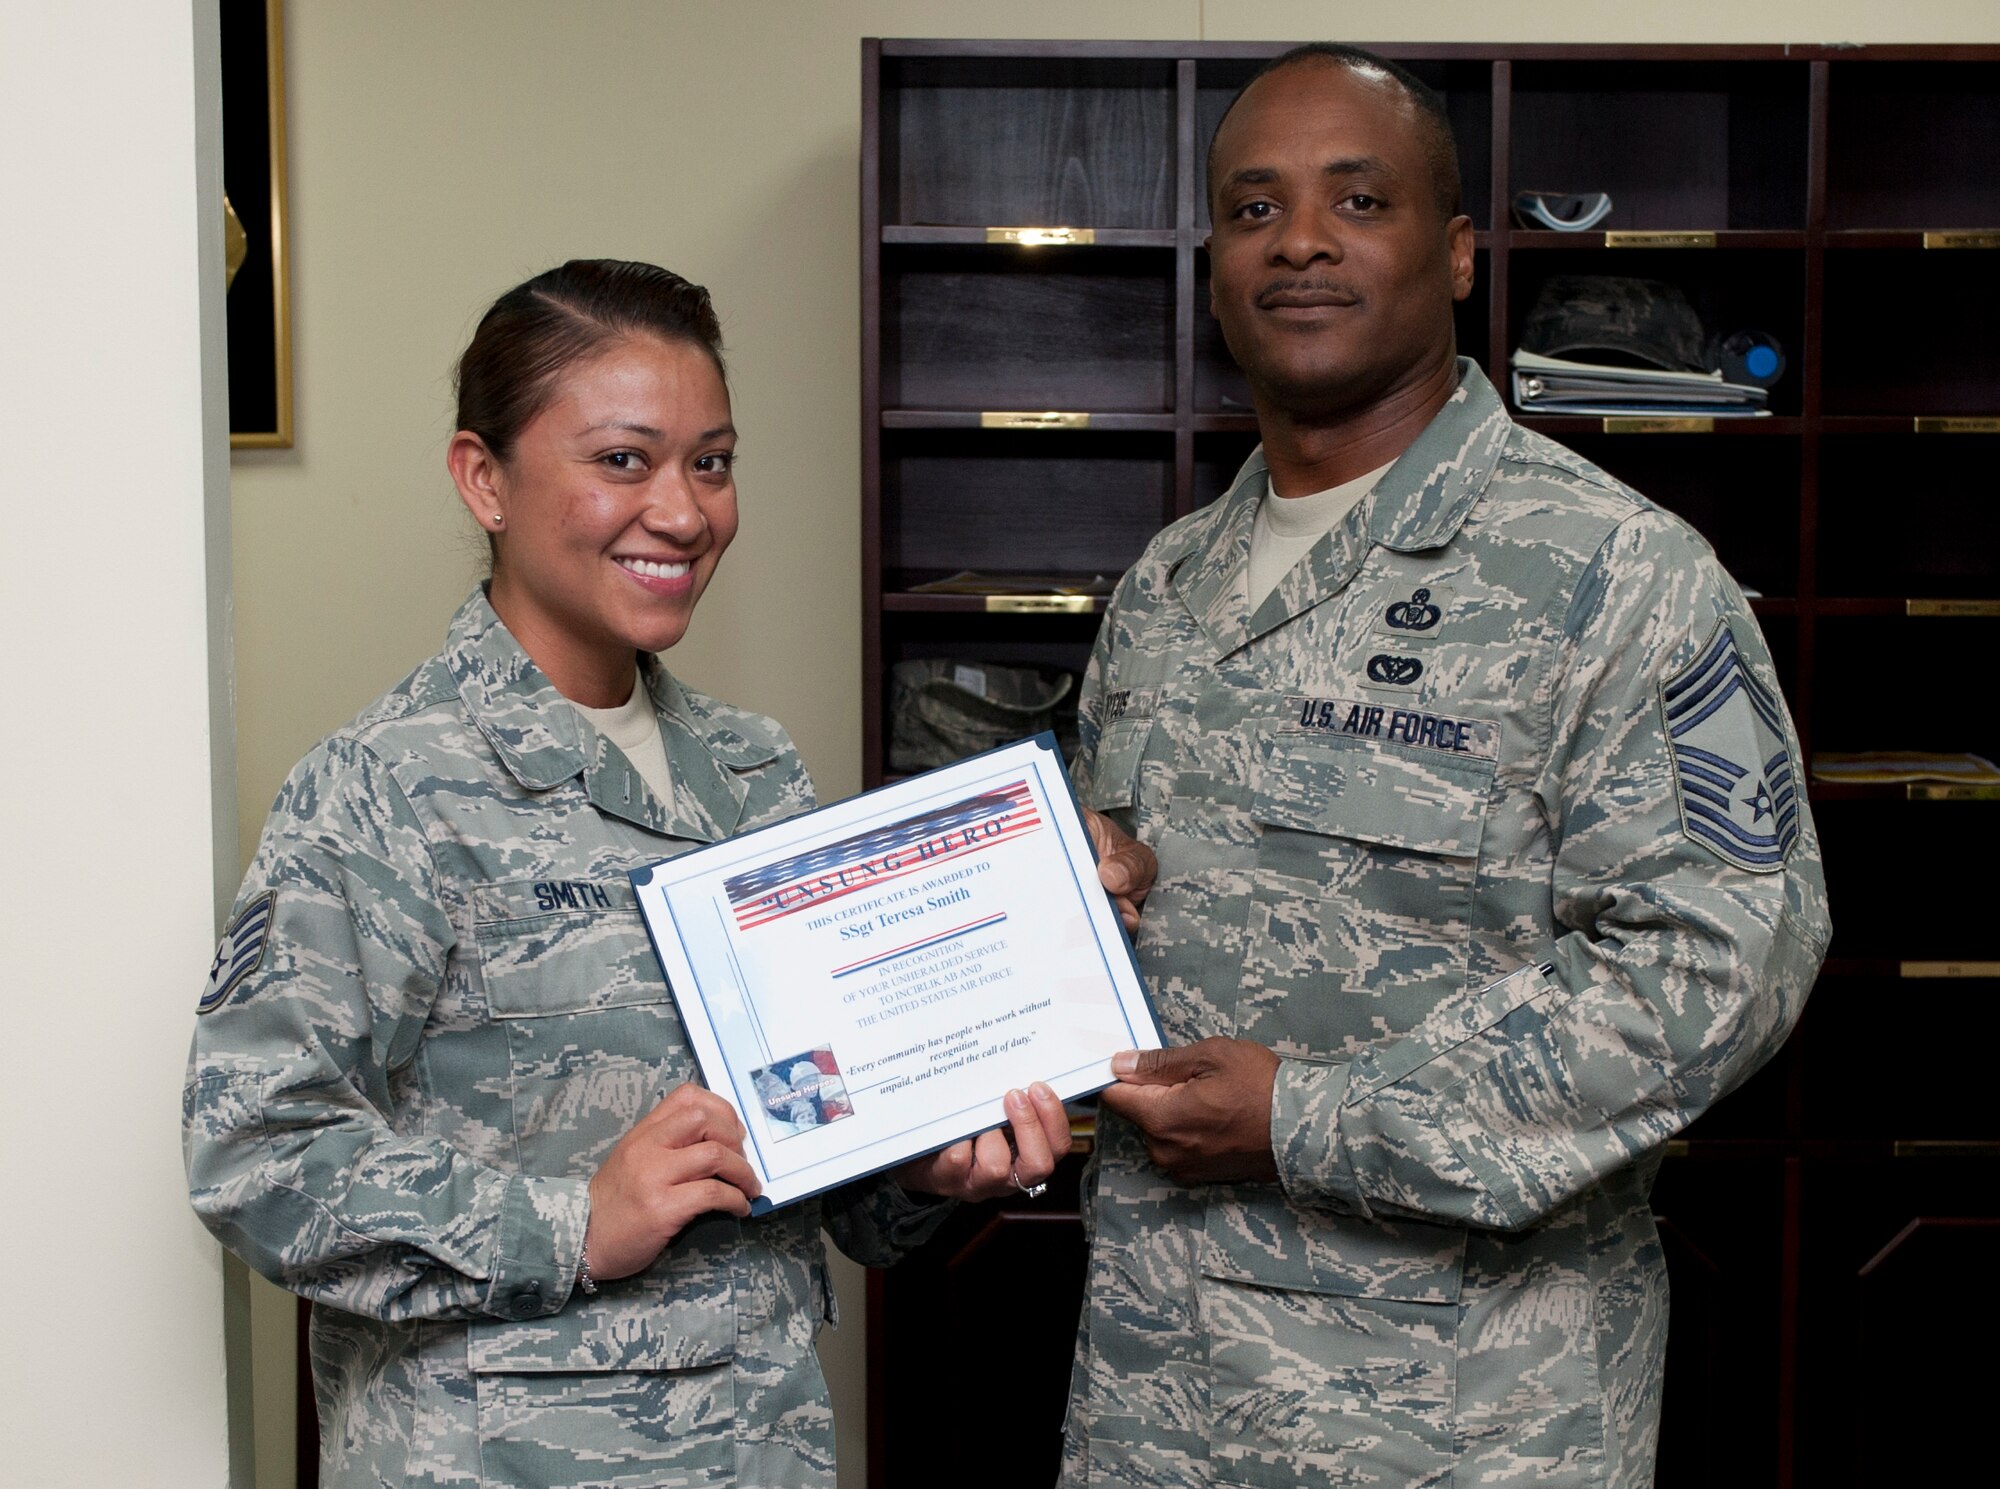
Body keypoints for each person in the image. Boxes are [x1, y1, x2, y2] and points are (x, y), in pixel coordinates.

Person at [183, 259, 1150, 1489]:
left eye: (712, 460)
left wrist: (919, 1168)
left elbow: (826, 1181)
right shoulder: (386, 786)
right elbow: (255, 1151)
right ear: (484, 477)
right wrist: (569, 1224)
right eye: (623, 461)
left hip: (762, 1449)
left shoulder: (751, 773)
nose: (684, 512)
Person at [1060, 46, 1830, 1488]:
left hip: (1456, 1421)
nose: (1300, 240)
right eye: (1253, 208)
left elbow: (1723, 966)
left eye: (1360, 199)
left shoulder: (1619, 574)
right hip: (1156, 1402)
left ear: (1461, 253)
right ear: (1216, 265)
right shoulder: (1168, 587)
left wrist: (1308, 1118)